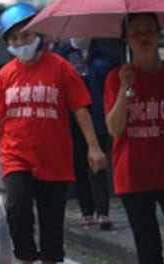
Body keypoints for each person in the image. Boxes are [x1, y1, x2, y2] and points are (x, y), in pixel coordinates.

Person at [0, 2, 107, 264]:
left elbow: (80, 108)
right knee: (17, 209)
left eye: (26, 35)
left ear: (38, 35)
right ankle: (25, 256)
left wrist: (93, 146)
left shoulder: (60, 68)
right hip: (16, 157)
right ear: (8, 43)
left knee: (51, 223)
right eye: (14, 38)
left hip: (54, 159)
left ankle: (50, 258)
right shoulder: (4, 76)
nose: (21, 42)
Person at [104, 12, 164, 264]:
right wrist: (125, 90)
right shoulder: (116, 78)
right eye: (136, 32)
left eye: (149, 30)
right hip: (134, 174)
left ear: (159, 33)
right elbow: (114, 128)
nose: (143, 36)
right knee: (149, 249)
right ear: (126, 39)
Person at [54, 38, 119, 229]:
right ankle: (86, 210)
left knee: (98, 163)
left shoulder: (105, 54)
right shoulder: (61, 55)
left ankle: (103, 211)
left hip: (99, 115)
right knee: (79, 165)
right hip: (71, 119)